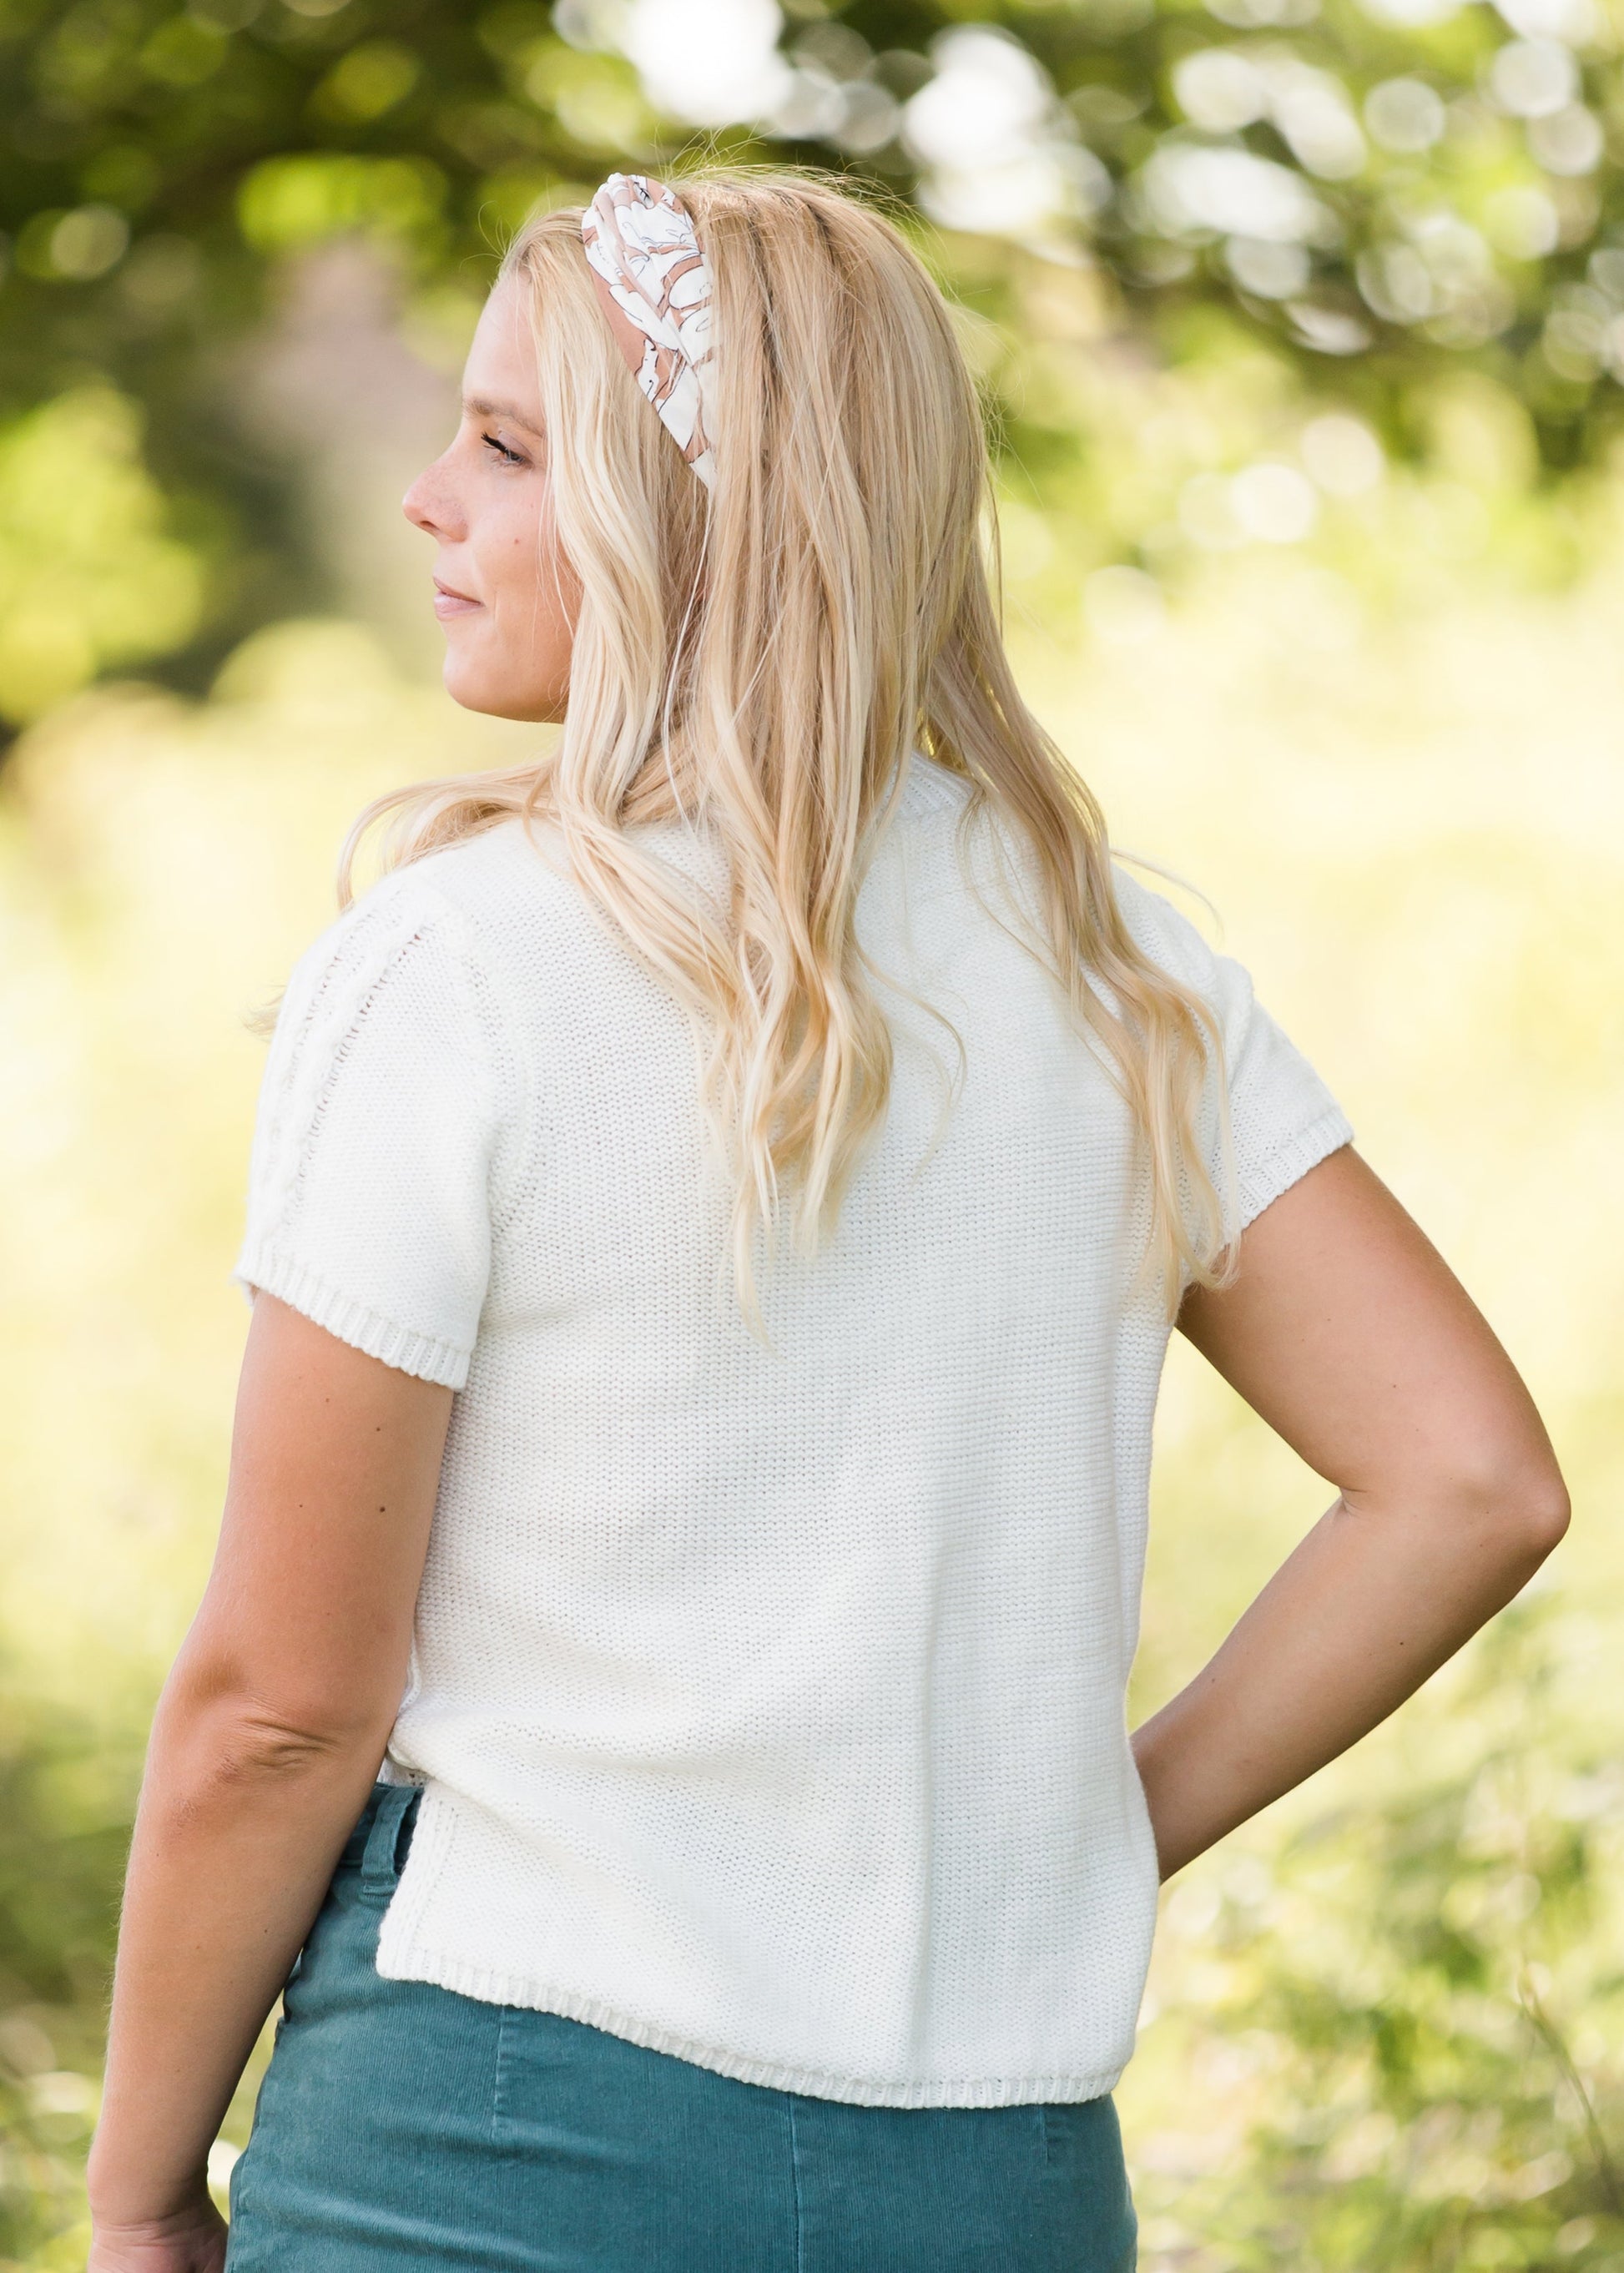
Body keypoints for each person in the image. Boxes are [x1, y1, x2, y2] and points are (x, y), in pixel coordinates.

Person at [84, 169, 1569, 2273]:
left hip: (490, 2143)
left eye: (509, 444)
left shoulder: (461, 964)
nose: (429, 495)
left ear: (688, 521)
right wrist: (1075, 1848)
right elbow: (1466, 1482)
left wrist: (140, 2189)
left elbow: (278, 1705)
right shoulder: (1111, 966)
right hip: (997, 2180)